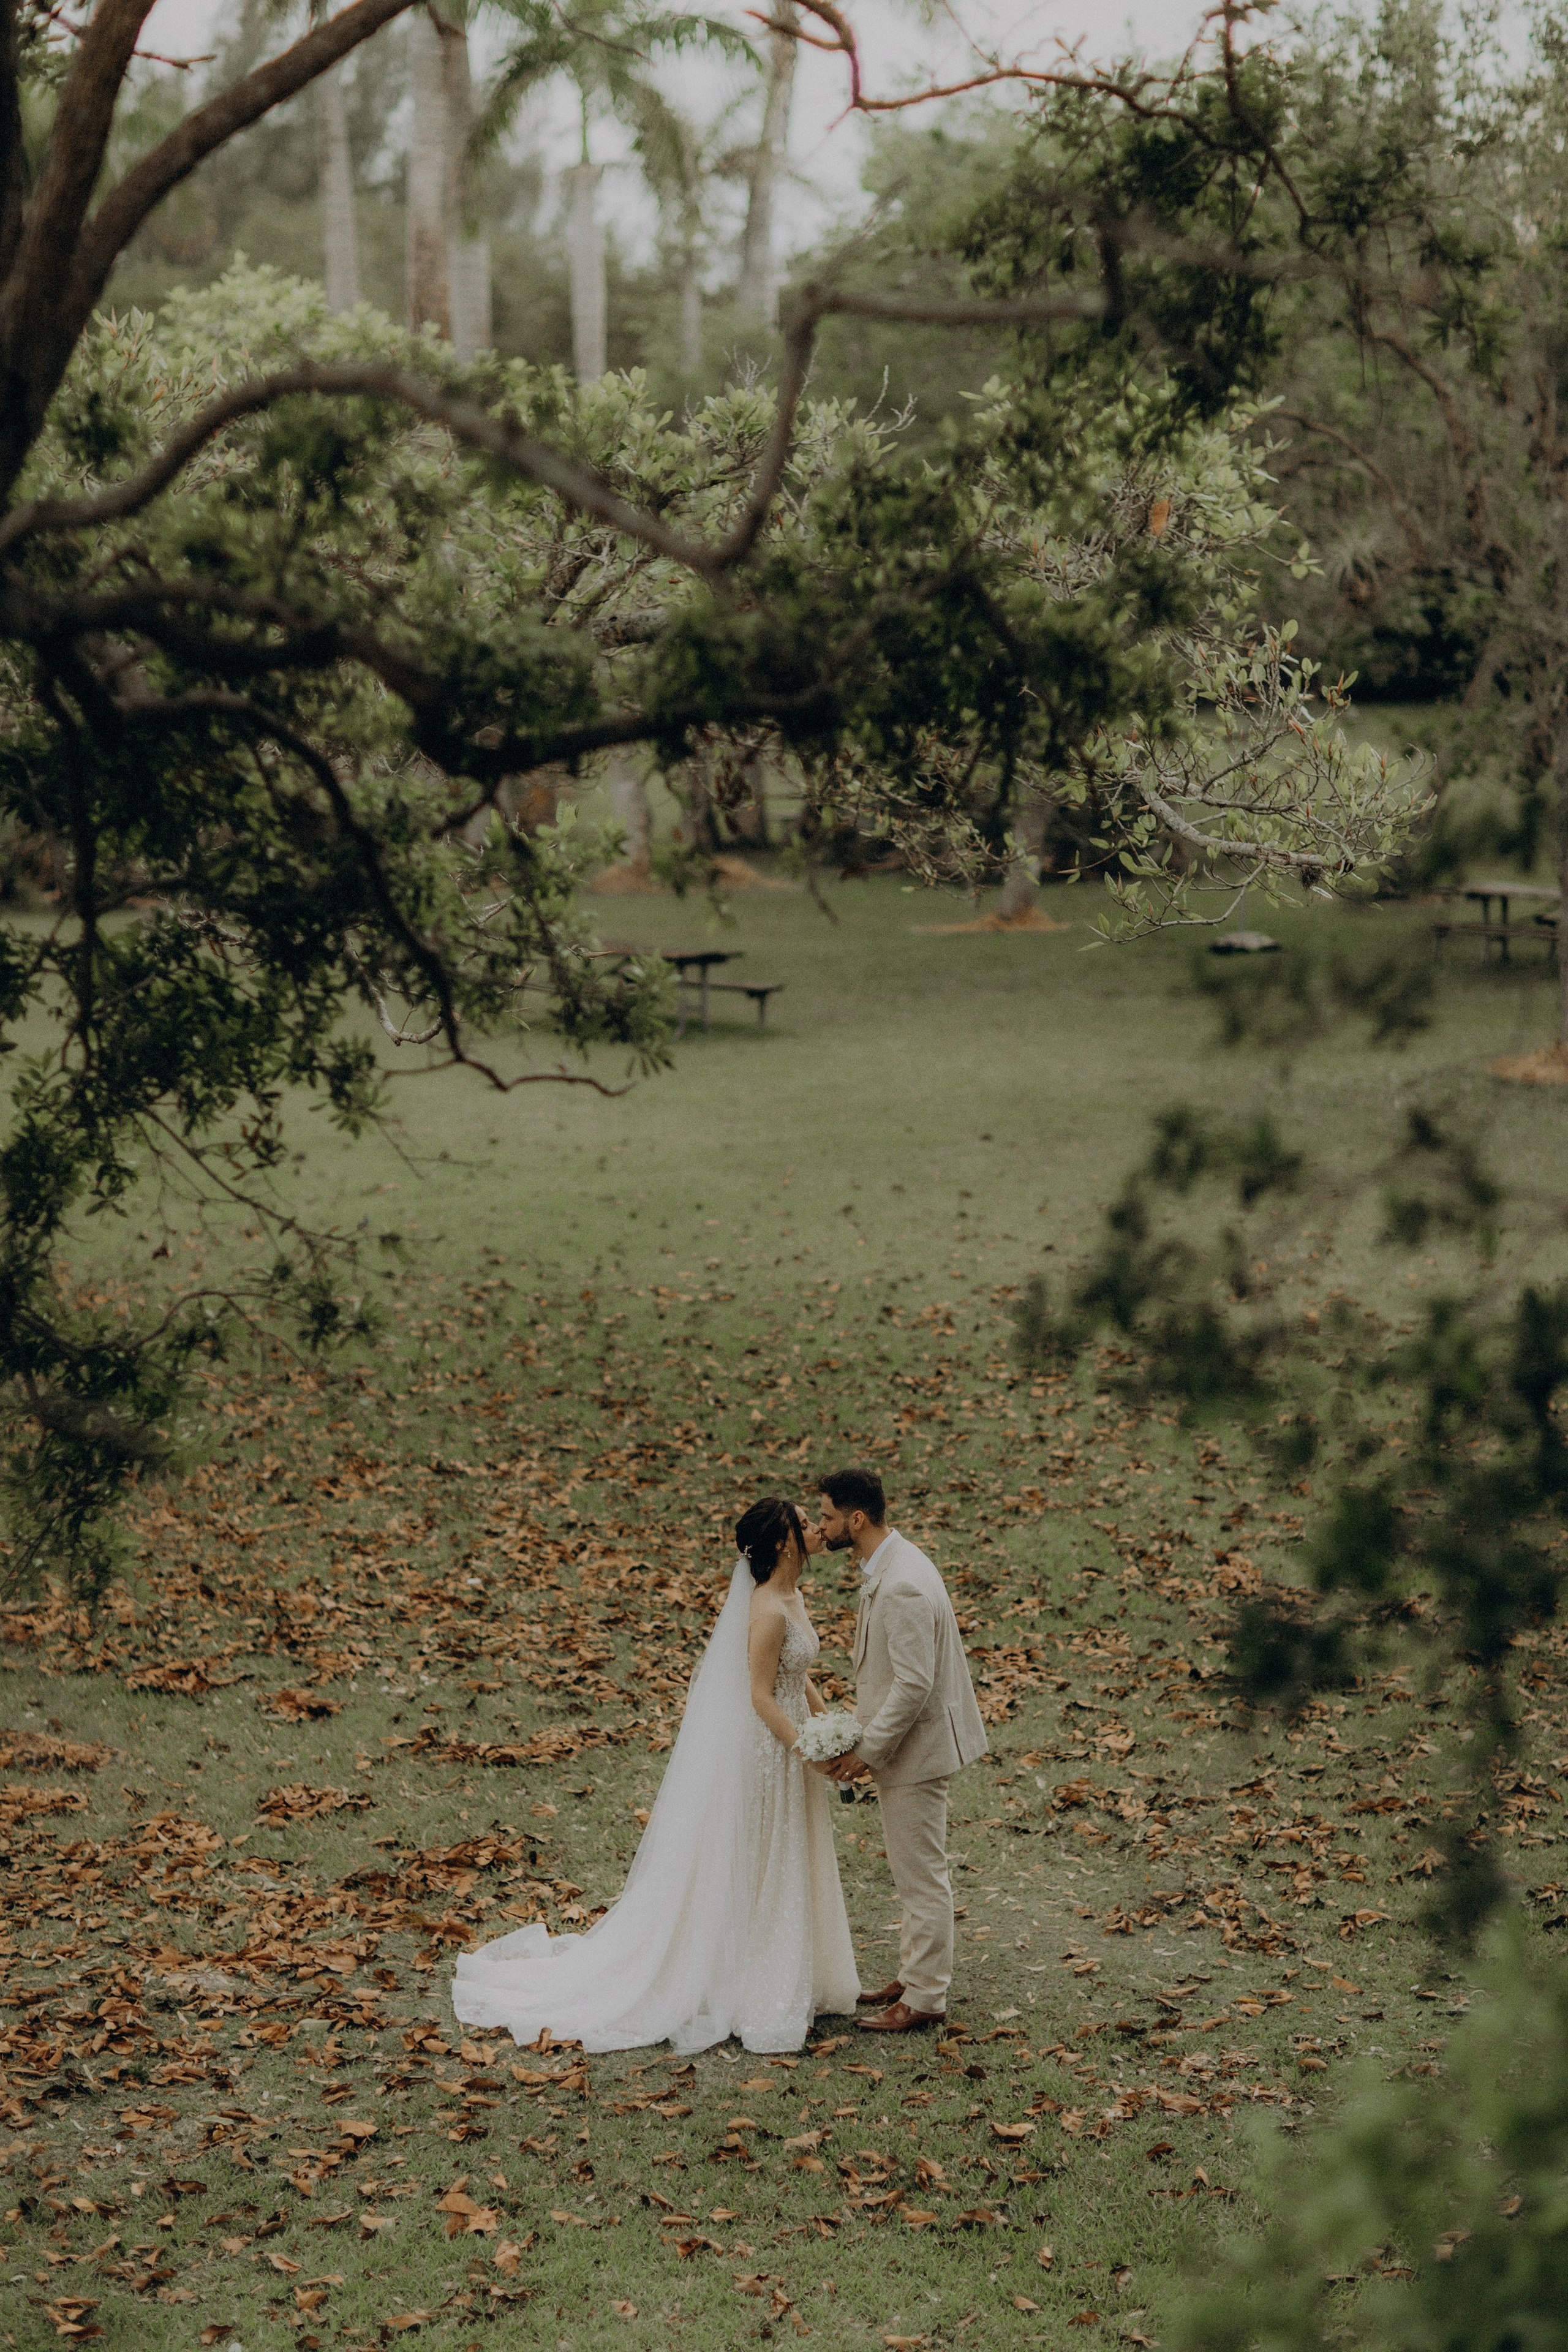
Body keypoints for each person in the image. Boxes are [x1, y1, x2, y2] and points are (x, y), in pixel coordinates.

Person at [450, 1496, 859, 2054]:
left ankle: (787, 1971)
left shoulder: (794, 1595)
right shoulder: (766, 1609)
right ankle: (752, 1987)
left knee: (786, 1858)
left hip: (792, 1742)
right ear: (784, 1542)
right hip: (768, 1751)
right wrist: (808, 1750)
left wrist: (829, 1719)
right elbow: (761, 1696)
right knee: (763, 1859)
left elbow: (798, 1674)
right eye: (804, 1523)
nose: (815, 1529)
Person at [809, 1466, 988, 2034]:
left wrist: (867, 1751)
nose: (822, 1526)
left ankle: (928, 1997)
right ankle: (914, 1976)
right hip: (908, 1747)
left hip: (917, 1751)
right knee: (913, 1870)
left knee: (921, 1874)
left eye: (828, 1517)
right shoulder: (893, 1563)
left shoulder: (904, 1581)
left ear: (856, 1519)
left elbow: (914, 1684)